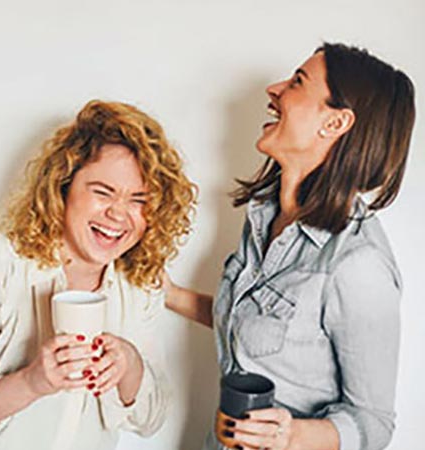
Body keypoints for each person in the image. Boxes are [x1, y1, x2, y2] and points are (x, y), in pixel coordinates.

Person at [163, 43, 415, 450]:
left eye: (298, 82)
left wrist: (290, 435)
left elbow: (373, 423)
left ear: (335, 123)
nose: (274, 89)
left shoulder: (358, 263)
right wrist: (167, 294)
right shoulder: (266, 217)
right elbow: (253, 325)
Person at [0, 100, 197, 450]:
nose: (119, 214)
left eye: (138, 200)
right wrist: (34, 381)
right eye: (103, 192)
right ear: (62, 188)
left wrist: (130, 364)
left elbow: (151, 417)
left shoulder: (138, 286)